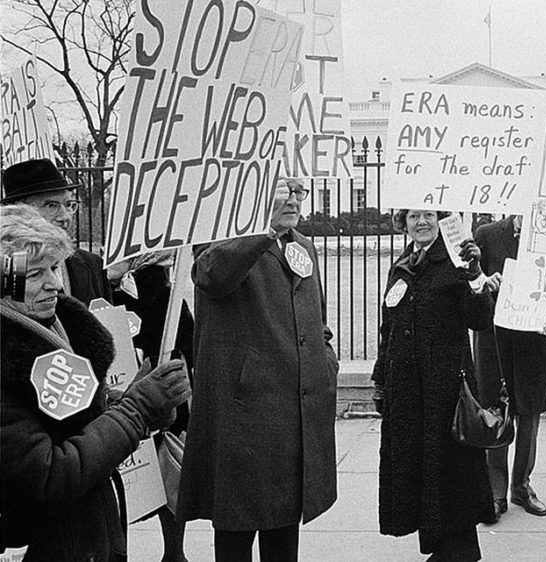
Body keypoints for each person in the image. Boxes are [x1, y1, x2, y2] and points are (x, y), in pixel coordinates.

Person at [0, 204, 190, 561]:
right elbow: (48, 477)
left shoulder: (55, 328)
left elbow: (80, 422)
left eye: (55, 267)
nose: (55, 284)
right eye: (36, 273)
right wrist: (136, 410)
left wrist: (144, 405)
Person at [176, 179, 339, 562]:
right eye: (284, 190)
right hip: (246, 414)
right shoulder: (219, 239)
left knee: (284, 527)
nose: (295, 200)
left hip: (293, 411)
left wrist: (324, 360)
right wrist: (264, 231)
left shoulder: (303, 245)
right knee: (237, 527)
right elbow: (213, 276)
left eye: (299, 192)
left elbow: (315, 318)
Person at [372, 209, 495, 561]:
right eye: (413, 216)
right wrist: (381, 381)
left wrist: (474, 276)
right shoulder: (403, 265)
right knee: (423, 472)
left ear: (440, 220)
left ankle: (461, 552)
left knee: (452, 474)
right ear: (403, 223)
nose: (420, 222)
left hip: (446, 395)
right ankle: (440, 549)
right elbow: (388, 329)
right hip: (408, 393)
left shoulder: (458, 261)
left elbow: (480, 318)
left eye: (428, 215)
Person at [108, 250, 195, 562]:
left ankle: (170, 552)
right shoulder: (170, 302)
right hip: (163, 398)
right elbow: (188, 352)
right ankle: (175, 552)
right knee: (168, 480)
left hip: (132, 393)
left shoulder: (112, 294)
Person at [472, 213, 546, 522]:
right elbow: (469, 278)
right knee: (494, 412)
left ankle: (522, 486)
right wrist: (484, 282)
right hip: (494, 339)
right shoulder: (487, 234)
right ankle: (495, 491)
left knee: (529, 414)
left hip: (536, 338)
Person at [1, 158, 113, 305]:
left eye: (69, 205)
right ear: (17, 210)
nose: (65, 217)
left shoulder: (93, 265)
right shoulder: (8, 267)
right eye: (51, 205)